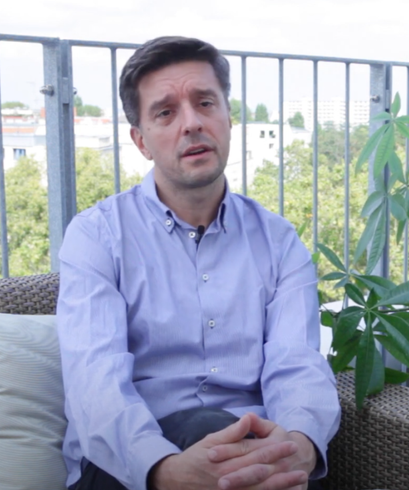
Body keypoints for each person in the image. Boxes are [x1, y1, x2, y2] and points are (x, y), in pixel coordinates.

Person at [55, 36, 340, 490]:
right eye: (165, 112)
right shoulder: (96, 236)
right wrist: (165, 471)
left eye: (205, 103)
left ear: (229, 117)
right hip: (132, 466)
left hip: (260, 453)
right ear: (141, 140)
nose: (192, 124)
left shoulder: (278, 240)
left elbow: (297, 364)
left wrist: (300, 446)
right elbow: (96, 384)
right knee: (208, 431)